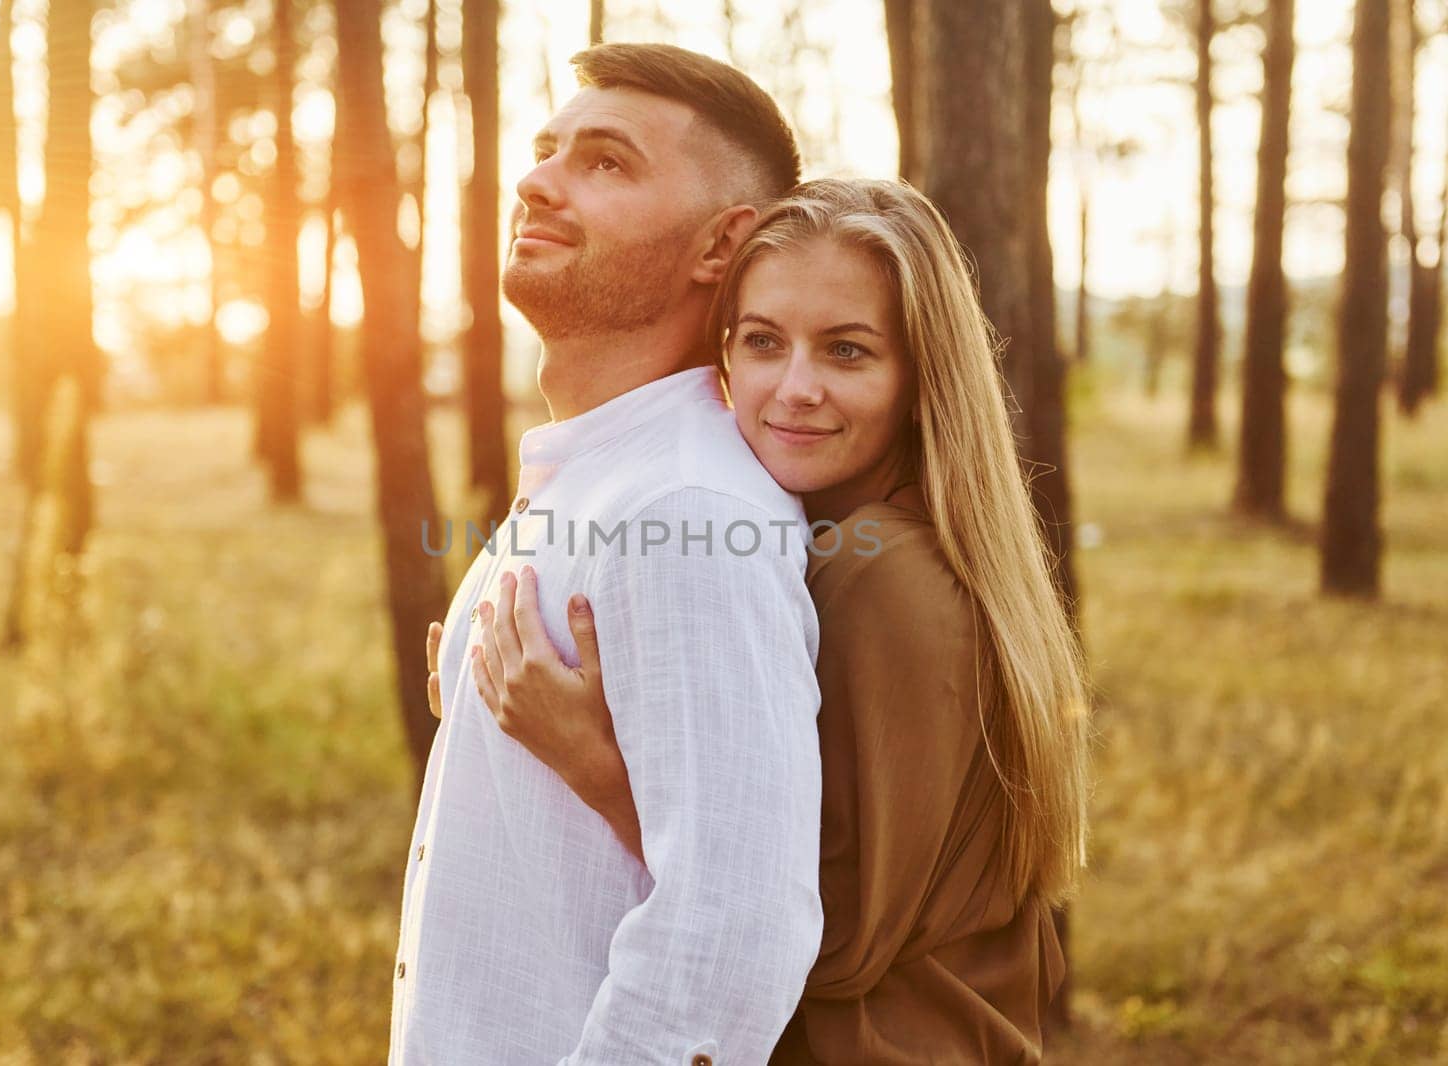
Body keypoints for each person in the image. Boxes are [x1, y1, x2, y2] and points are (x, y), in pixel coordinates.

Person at [460, 179, 1092, 1064]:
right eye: (763, 343)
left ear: (920, 378)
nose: (795, 389)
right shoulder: (859, 539)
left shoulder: (879, 574)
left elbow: (812, 933)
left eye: (846, 351)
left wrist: (591, 762)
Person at [390, 44, 829, 1064]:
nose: (536, 179)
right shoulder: (595, 471)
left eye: (606, 163)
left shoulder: (680, 508)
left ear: (721, 246)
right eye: (546, 150)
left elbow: (730, 934)